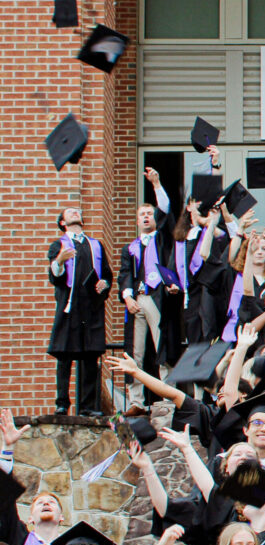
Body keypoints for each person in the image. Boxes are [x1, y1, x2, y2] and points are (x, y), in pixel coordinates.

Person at [118, 166, 179, 416]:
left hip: (157, 298)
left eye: (149, 214)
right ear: (136, 220)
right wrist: (127, 296)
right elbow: (124, 274)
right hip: (137, 300)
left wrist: (156, 185)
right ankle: (136, 401)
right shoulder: (129, 247)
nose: (145, 217)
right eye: (141, 214)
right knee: (135, 352)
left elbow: (165, 211)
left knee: (162, 347)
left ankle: (167, 396)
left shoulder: (162, 238)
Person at [47, 206, 113, 416]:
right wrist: (60, 260)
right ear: (62, 222)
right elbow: (54, 277)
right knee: (65, 357)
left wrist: (105, 284)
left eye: (78, 211)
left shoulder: (95, 245)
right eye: (70, 212)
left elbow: (107, 275)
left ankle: (87, 406)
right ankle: (62, 403)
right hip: (70, 308)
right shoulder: (59, 245)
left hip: (91, 309)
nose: (76, 212)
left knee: (89, 359)